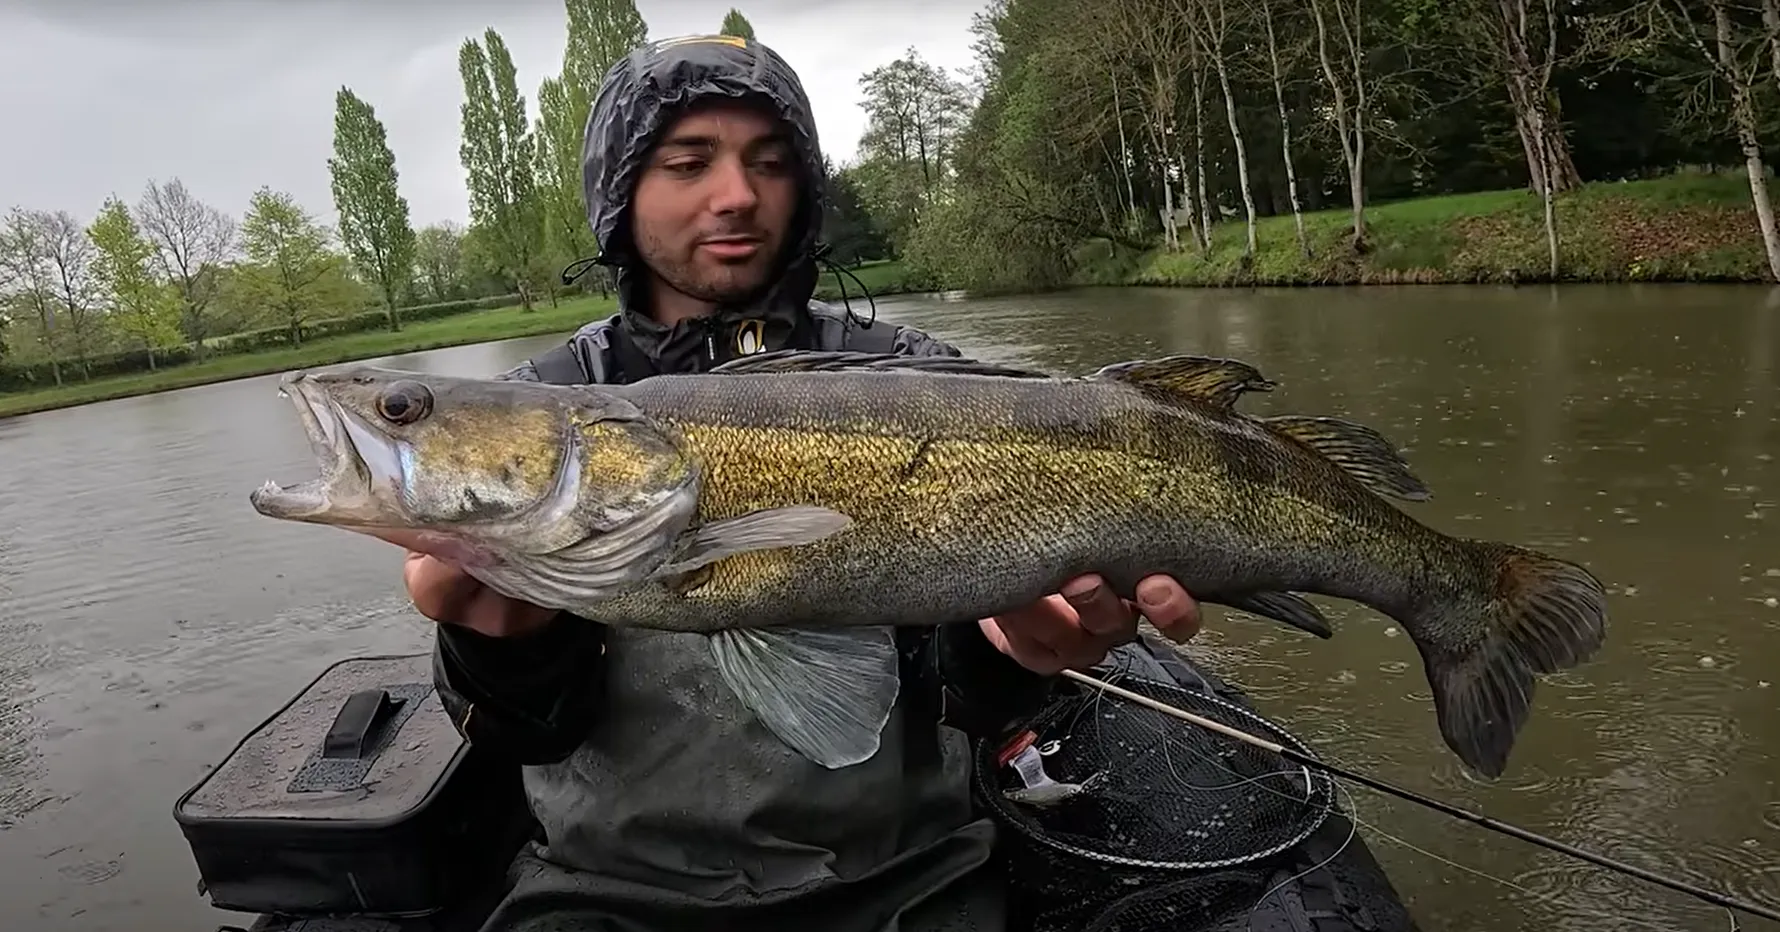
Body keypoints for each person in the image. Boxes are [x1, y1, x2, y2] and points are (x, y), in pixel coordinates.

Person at [385, 35, 1205, 932]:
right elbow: (528, 736)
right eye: (688, 162)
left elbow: (965, 698)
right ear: (620, 191)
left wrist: (1015, 656)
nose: (737, 194)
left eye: (770, 162)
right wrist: (501, 648)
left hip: (914, 880)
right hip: (608, 898)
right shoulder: (538, 408)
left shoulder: (914, 377)